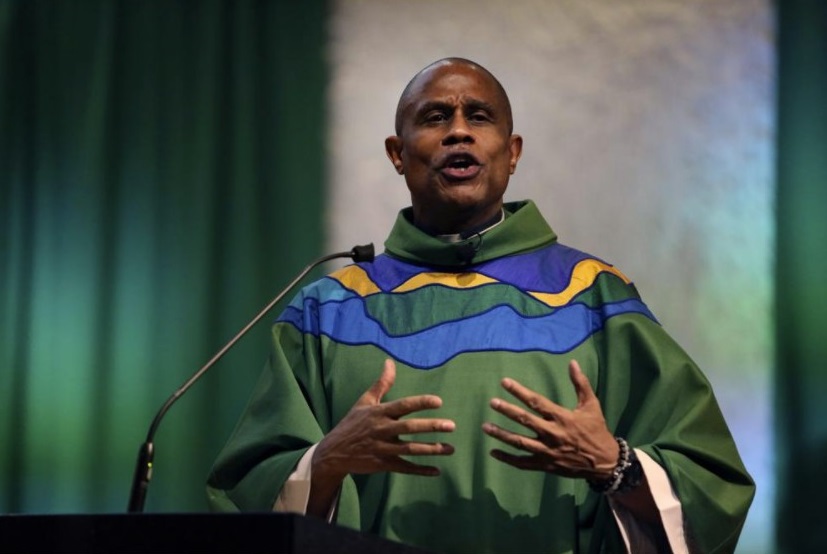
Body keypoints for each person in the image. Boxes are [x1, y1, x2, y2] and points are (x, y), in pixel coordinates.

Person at [207, 57, 754, 553]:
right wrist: (326, 462)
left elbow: (710, 482)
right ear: (398, 154)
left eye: (479, 116)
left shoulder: (594, 296)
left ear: (512, 153)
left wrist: (616, 466)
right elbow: (246, 498)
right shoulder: (328, 309)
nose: (459, 131)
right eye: (435, 117)